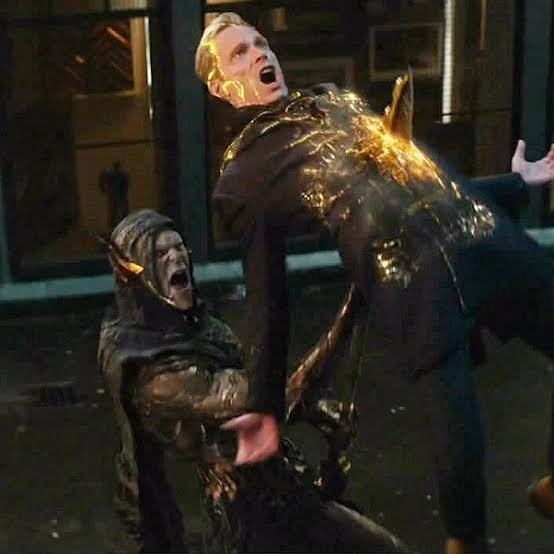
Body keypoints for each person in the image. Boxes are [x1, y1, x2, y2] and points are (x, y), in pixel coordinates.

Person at [195, 12, 554, 553]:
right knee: (459, 430)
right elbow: (268, 294)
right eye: (239, 53)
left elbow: (422, 174)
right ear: (223, 87)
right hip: (412, 275)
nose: (259, 54)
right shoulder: (244, 176)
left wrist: (516, 184)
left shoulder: (334, 100)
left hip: (480, 236)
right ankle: (466, 544)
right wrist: (265, 405)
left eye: (259, 42)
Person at [98, 209, 409, 553]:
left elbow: (265, 395)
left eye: (179, 246)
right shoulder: (160, 379)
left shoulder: (201, 330)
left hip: (285, 487)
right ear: (136, 275)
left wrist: (317, 413)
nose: (177, 256)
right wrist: (352, 309)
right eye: (160, 254)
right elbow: (273, 395)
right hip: (250, 516)